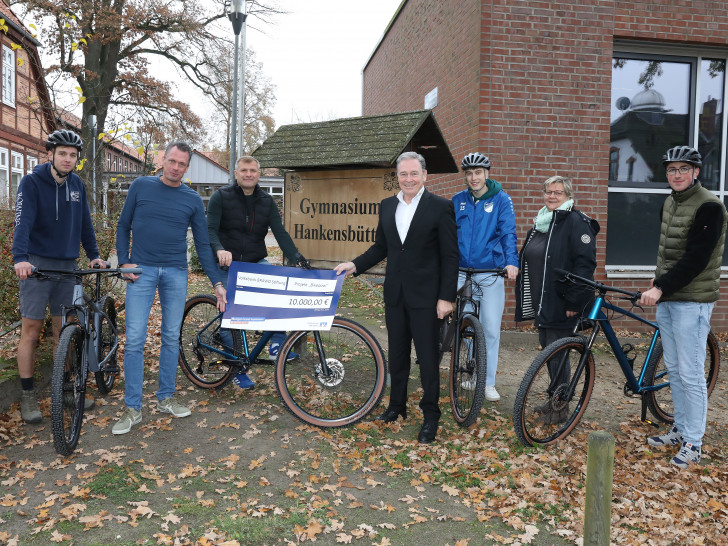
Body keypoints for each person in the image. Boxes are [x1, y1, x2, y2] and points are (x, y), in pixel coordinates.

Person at [334, 151, 458, 444]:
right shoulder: (387, 206)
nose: (409, 179)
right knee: (398, 354)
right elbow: (381, 248)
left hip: (428, 298)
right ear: (397, 178)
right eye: (403, 174)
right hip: (395, 295)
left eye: (414, 173)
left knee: (428, 359)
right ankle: (396, 407)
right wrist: (355, 265)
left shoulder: (441, 208)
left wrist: (446, 297)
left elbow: (450, 256)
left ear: (425, 175)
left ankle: (430, 416)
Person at [113, 142, 226, 435]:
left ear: (187, 168)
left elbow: (202, 244)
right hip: (141, 270)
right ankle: (133, 408)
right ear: (163, 160)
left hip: (175, 272)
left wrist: (216, 283)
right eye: (172, 161)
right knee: (136, 337)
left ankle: (165, 398)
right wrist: (124, 262)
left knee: (171, 336)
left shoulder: (191, 199)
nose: (176, 168)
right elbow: (123, 225)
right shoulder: (140, 186)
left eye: (182, 164)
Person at [639, 146, 726, 469]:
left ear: (696, 172)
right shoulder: (671, 202)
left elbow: (696, 259)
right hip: (671, 296)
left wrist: (660, 287)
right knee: (674, 369)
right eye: (672, 169)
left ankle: (694, 442)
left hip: (693, 301)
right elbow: (669, 252)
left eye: (683, 169)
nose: (676, 174)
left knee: (690, 373)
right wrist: (657, 278)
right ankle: (680, 429)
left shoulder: (709, 207)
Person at [12, 129, 107, 424]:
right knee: (30, 332)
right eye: (62, 153)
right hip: (37, 266)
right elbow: (22, 222)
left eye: (73, 155)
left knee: (62, 331)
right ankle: (28, 397)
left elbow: (85, 224)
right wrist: (21, 258)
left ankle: (64, 390)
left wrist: (93, 254)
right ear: (50, 154)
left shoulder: (77, 184)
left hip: (67, 267)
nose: (68, 159)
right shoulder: (31, 182)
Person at [207, 155, 308, 390]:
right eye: (244, 170)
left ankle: (276, 344)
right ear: (236, 173)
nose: (249, 174)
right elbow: (210, 229)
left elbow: (280, 232)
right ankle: (236, 368)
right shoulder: (221, 197)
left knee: (278, 294)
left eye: (253, 170)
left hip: (255, 261)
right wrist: (219, 249)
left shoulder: (266, 201)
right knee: (230, 318)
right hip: (227, 264)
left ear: (259, 174)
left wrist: (298, 259)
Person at [514, 175, 599, 423]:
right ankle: (554, 396)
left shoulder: (576, 222)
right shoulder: (541, 224)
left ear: (568, 196)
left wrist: (574, 302)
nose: (552, 196)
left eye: (558, 192)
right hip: (544, 301)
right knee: (550, 352)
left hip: (564, 303)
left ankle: (560, 408)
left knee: (559, 354)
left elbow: (585, 265)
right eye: (548, 191)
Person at [452, 153, 519, 402]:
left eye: (478, 173)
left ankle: (488, 382)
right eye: (469, 174)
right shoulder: (458, 200)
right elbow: (449, 235)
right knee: (466, 324)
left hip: (490, 273)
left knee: (490, 328)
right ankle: (472, 373)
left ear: (486, 173)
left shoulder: (502, 200)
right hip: (461, 273)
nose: (473, 178)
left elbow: (508, 233)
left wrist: (511, 261)